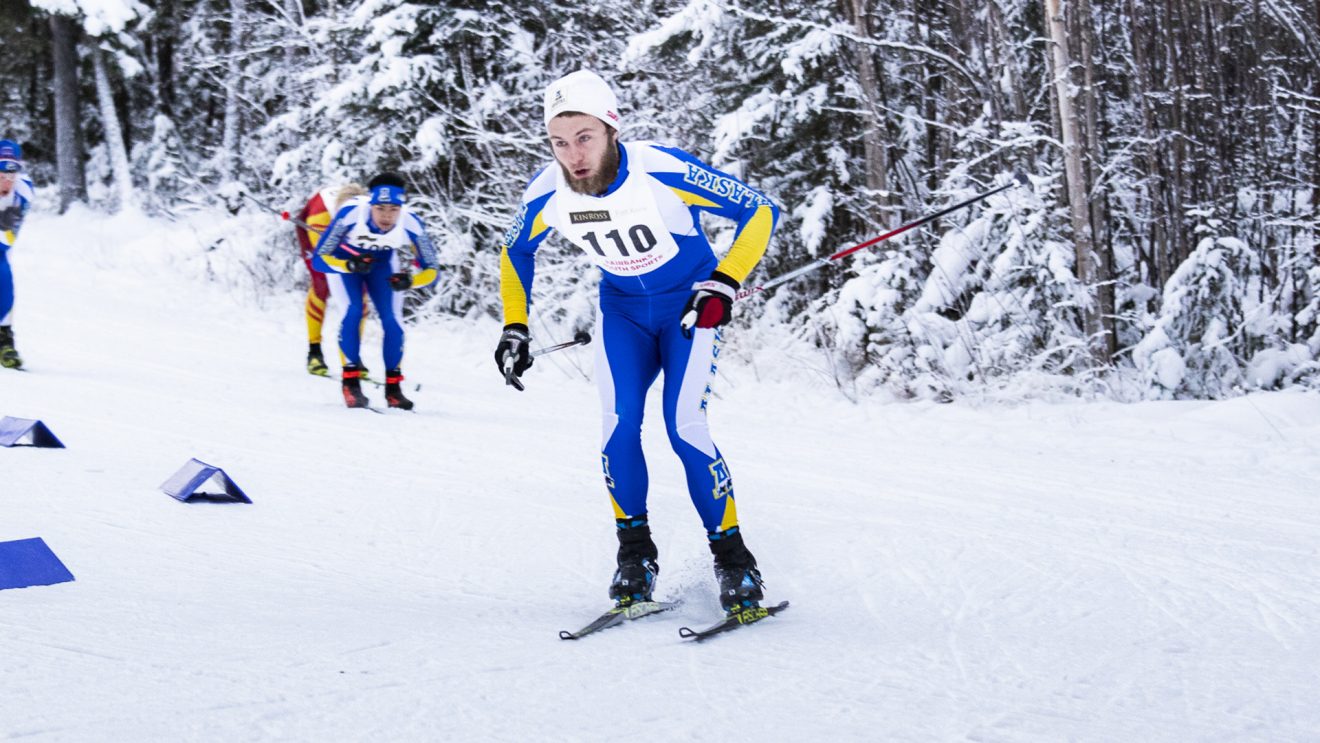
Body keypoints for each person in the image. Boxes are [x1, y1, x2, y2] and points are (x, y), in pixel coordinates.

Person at [495, 70, 781, 615]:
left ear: (611, 129)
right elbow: (515, 251)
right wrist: (515, 326)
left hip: (688, 311)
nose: (573, 155)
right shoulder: (548, 191)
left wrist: (725, 281)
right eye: (559, 142)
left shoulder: (659, 168)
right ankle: (635, 558)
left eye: (584, 137)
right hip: (623, 314)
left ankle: (734, 561)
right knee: (619, 427)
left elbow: (760, 209)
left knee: (684, 426)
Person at [312, 173, 440, 409]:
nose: (387, 216)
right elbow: (319, 260)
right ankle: (351, 383)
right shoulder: (351, 213)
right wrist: (348, 265)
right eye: (380, 208)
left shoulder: (410, 221)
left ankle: (394, 389)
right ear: (370, 204)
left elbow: (432, 269)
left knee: (392, 320)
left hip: (382, 264)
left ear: (401, 208)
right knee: (353, 311)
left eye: (393, 209)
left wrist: (410, 280)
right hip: (345, 264)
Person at [294, 183, 366, 376]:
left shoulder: (371, 215)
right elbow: (327, 257)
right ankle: (314, 351)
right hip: (315, 226)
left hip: (344, 227)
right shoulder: (321, 216)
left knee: (360, 289)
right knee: (322, 283)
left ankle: (352, 353)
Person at [0, 139, 35, 370]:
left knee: (3, 275)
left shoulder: (23, 191)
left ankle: (4, 339)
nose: (8, 179)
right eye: (2, 172)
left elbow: (6, 240)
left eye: (13, 172)